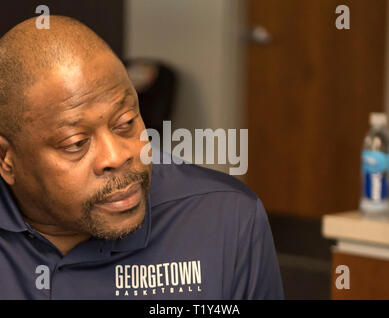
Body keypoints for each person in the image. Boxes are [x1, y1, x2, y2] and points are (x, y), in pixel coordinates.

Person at [0, 16, 283, 299]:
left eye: (125, 122)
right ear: (6, 159)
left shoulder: (225, 218)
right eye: (76, 143)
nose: (118, 155)